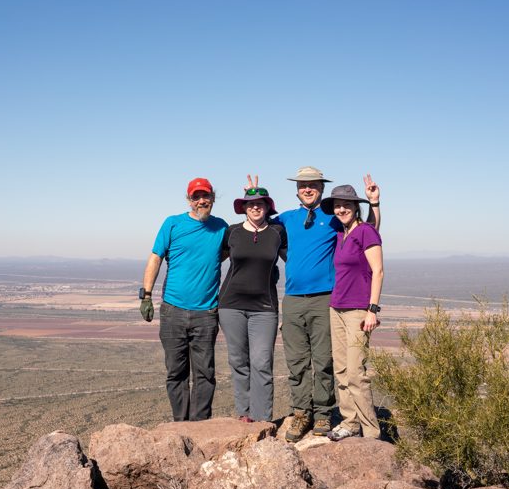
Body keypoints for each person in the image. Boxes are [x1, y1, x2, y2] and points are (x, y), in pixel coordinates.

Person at [278, 168, 380, 441]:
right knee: (297, 362)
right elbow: (260, 229)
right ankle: (301, 414)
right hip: (292, 300)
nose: (308, 189)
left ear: (321, 188)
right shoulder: (286, 218)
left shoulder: (333, 217)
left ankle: (323, 415)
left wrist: (375, 204)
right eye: (303, 185)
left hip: (327, 299)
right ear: (297, 189)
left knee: (324, 360)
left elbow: (367, 231)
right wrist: (252, 199)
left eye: (313, 185)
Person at [140, 177, 227, 421]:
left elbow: (238, 252)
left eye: (206, 196)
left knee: (205, 374)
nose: (201, 201)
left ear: (212, 198)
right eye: (196, 196)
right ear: (189, 200)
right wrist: (146, 295)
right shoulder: (173, 224)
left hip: (206, 313)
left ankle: (199, 425)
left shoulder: (221, 228)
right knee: (176, 372)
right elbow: (156, 258)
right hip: (173, 311)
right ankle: (181, 424)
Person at [218, 184, 287, 423]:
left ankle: (263, 418)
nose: (255, 206)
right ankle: (244, 414)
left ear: (268, 207)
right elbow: (214, 260)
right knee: (238, 360)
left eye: (261, 203)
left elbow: (295, 262)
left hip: (264, 308)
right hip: (230, 305)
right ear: (244, 208)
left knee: (261, 362)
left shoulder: (278, 231)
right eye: (251, 203)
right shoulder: (233, 232)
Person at [319, 184, 384, 441]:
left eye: (347, 204)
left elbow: (378, 271)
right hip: (336, 308)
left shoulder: (366, 232)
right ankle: (350, 422)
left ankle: (371, 433)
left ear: (356, 206)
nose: (342, 209)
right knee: (342, 370)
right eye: (337, 205)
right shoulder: (341, 233)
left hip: (359, 310)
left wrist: (372, 310)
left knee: (357, 373)